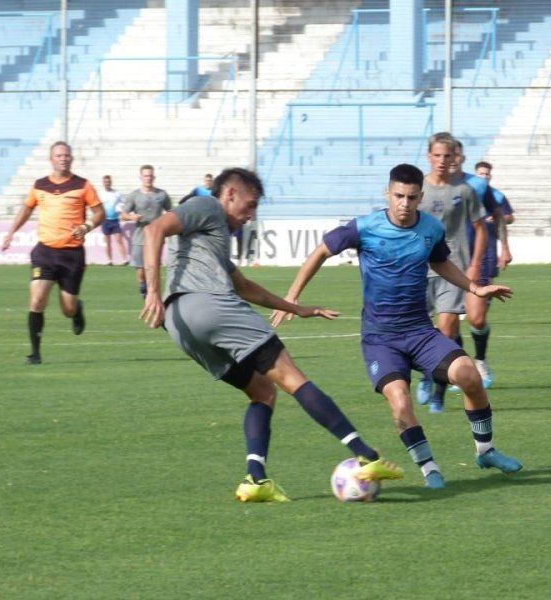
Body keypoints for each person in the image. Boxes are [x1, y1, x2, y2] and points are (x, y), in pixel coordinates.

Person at [139, 167, 404, 503]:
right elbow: (154, 229)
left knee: (262, 390)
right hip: (208, 307)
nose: (250, 216)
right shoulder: (207, 207)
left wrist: (298, 309)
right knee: (293, 378)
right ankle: (366, 454)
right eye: (249, 206)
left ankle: (256, 480)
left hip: (182, 327)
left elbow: (245, 286)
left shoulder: (211, 240)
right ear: (230, 194)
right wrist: (151, 290)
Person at [272, 164, 522, 489]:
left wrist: (474, 288)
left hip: (420, 331)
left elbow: (440, 261)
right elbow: (322, 250)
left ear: (421, 197)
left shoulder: (430, 228)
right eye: (399, 196)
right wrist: (292, 296)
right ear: (387, 194)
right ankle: (429, 468)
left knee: (468, 375)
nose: (405, 203)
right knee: (400, 401)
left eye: (412, 197)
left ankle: (485, 450)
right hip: (381, 340)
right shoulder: (364, 227)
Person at [0, 141, 104, 365]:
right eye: (59, 155)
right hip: (45, 252)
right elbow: (27, 208)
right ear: (51, 159)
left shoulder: (83, 185)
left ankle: (77, 310)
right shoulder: (39, 185)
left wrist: (86, 226)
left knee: (67, 309)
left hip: (72, 255)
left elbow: (99, 213)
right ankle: (35, 353)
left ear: (71, 159)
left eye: (66, 155)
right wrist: (11, 232)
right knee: (37, 300)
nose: (63, 158)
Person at [415, 133, 487, 413]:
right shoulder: (417, 188)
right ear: (429, 156)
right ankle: (425, 372)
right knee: (422, 329)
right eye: (437, 155)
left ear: (454, 157)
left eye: (448, 156)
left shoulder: (465, 190)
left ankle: (439, 391)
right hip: (418, 269)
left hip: (452, 267)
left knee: (447, 327)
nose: (442, 161)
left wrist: (475, 264)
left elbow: (481, 228)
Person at [466, 160, 515, 386]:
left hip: (485, 255)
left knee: (477, 318)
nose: (483, 177)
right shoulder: (463, 190)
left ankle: (480, 360)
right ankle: (453, 374)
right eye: (481, 174)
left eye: (487, 174)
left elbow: (508, 216)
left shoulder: (495, 196)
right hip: (457, 256)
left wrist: (504, 247)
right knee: (447, 320)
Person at [120, 165, 172, 298]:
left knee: (153, 266)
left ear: (153, 177)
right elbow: (123, 215)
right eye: (145, 176)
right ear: (141, 177)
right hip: (139, 237)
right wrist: (132, 217)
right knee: (141, 268)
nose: (148, 178)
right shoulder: (134, 195)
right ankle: (143, 285)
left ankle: (153, 292)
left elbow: (171, 212)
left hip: (156, 237)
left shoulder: (162, 194)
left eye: (150, 176)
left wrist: (167, 223)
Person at [98, 175, 128, 265]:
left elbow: (123, 203)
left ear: (111, 183)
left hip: (115, 220)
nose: (107, 184)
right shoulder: (100, 194)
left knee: (119, 240)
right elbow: (97, 206)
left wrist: (121, 209)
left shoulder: (117, 193)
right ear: (103, 183)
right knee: (107, 242)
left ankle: (124, 260)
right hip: (105, 220)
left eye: (108, 182)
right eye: (105, 182)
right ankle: (109, 260)